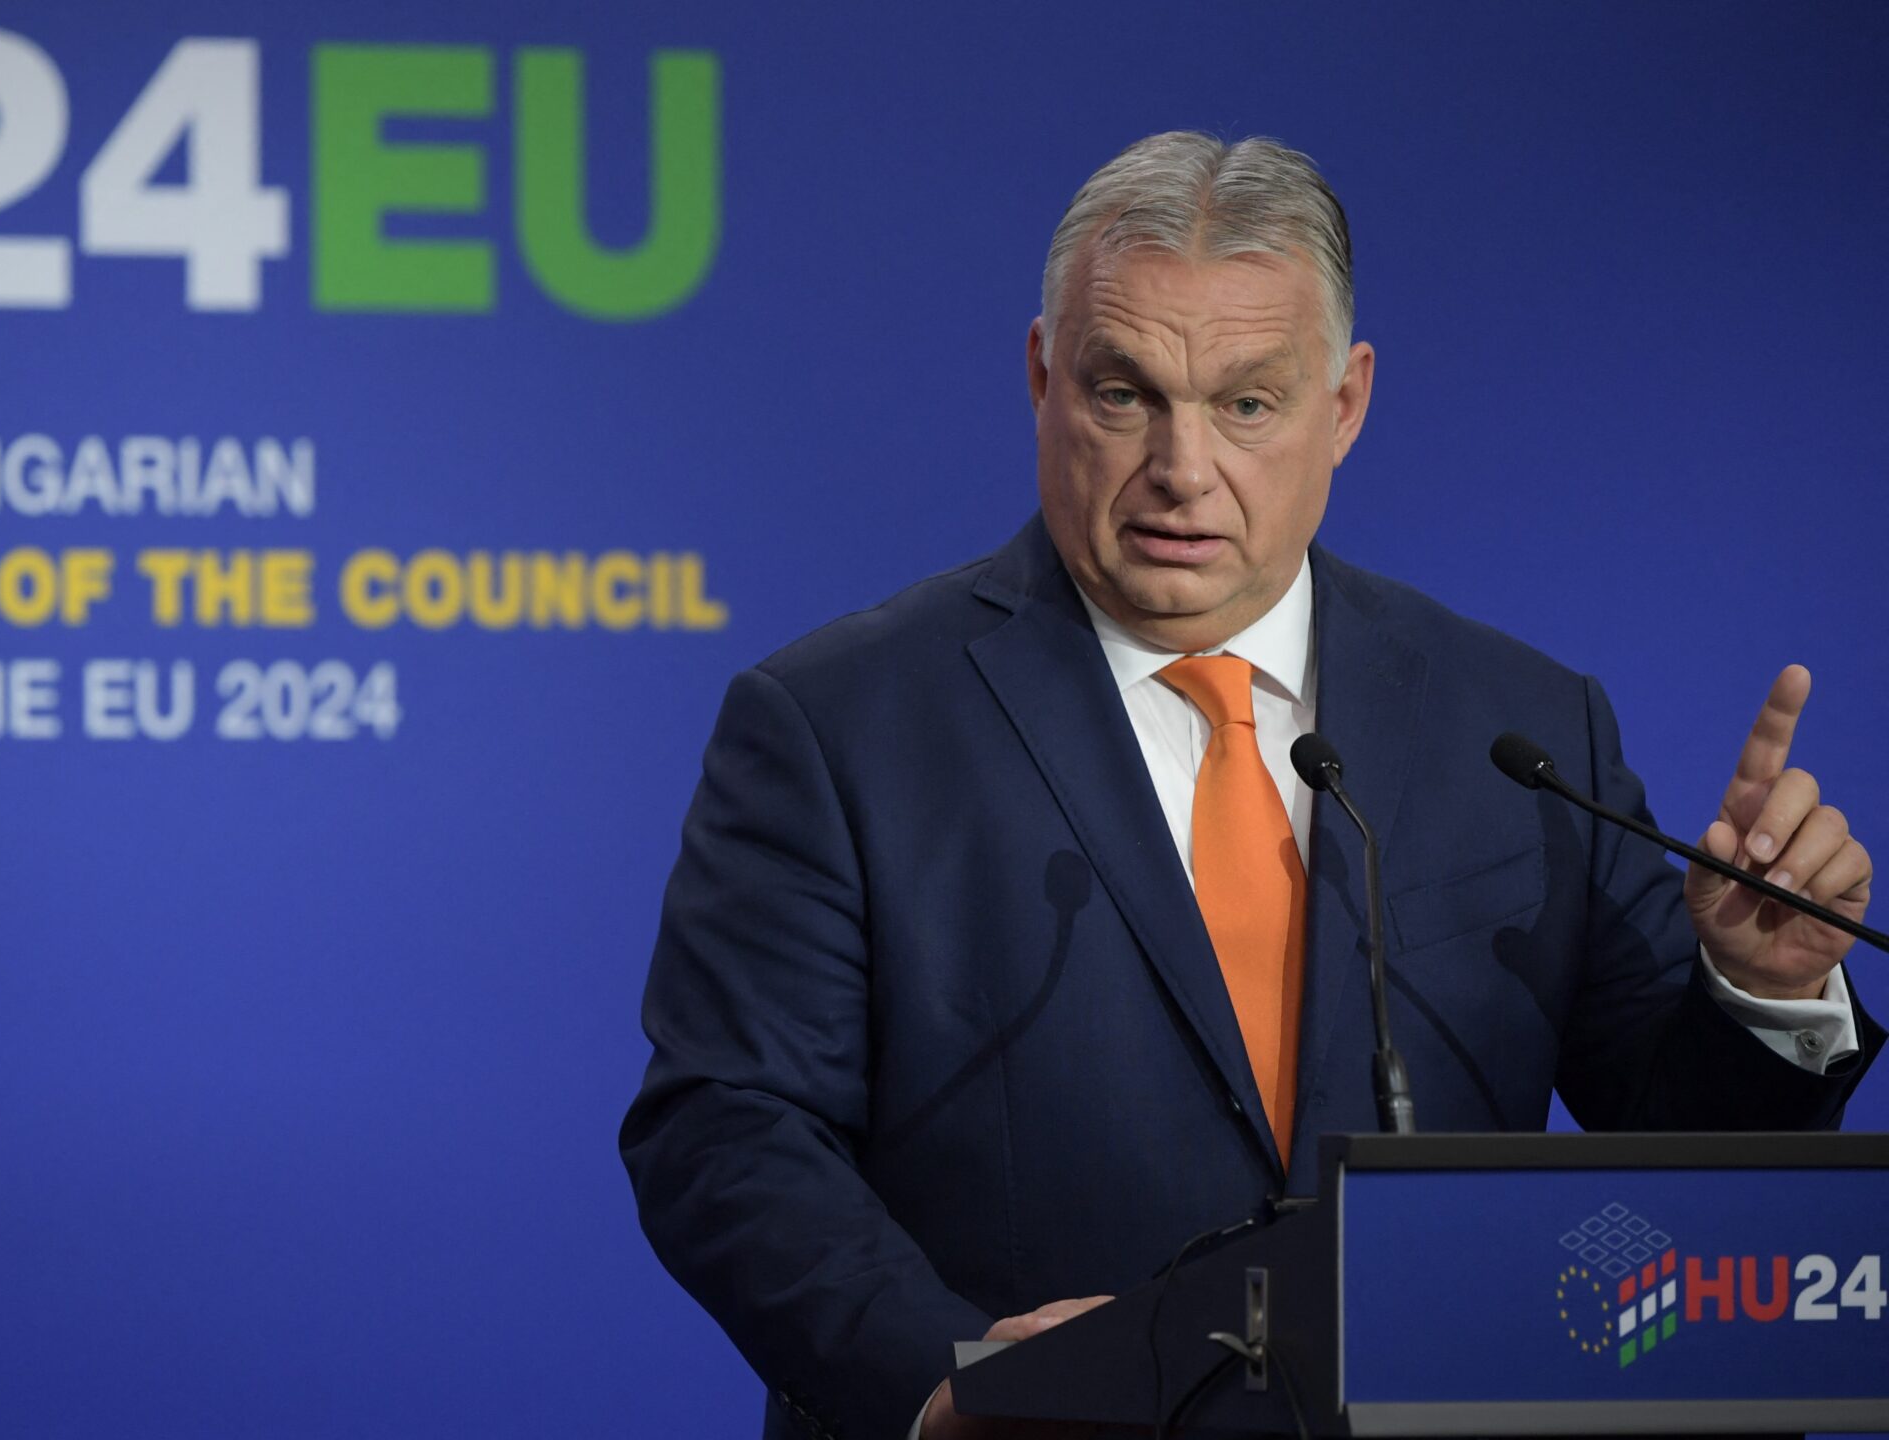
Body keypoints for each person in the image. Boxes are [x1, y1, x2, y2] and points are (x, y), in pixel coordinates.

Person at [618, 132, 1877, 1440]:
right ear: (1043, 376)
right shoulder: (838, 724)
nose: (1182, 469)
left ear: (1347, 406)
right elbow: (727, 1130)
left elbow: (1677, 1177)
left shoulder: (1518, 724)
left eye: (1248, 404)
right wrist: (940, 1370)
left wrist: (1760, 993)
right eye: (1125, 395)